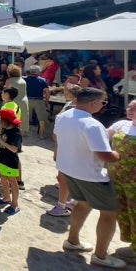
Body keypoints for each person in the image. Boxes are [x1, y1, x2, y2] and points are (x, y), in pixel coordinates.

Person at [54, 88, 125, 269]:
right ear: (93, 102)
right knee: (109, 213)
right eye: (103, 102)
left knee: (82, 204)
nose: (103, 106)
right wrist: (119, 154)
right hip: (90, 175)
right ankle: (101, 255)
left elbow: (57, 137)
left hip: (69, 169)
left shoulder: (64, 115)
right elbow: (105, 156)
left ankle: (73, 240)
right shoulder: (92, 125)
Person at [106, 100, 136, 260]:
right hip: (116, 177)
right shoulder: (122, 124)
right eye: (129, 107)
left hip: (134, 181)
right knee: (122, 210)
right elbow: (102, 136)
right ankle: (131, 243)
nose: (130, 110)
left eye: (135, 108)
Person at [47, 83, 81, 217]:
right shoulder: (70, 105)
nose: (64, 93)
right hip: (65, 145)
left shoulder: (72, 108)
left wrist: (57, 148)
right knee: (64, 177)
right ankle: (72, 201)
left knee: (64, 177)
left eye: (67, 92)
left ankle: (63, 205)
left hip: (68, 146)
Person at [0, 108, 23, 215]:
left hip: (10, 161)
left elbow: (15, 149)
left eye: (1, 119)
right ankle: (6, 197)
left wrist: (1, 140)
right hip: (2, 159)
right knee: (3, 177)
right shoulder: (6, 129)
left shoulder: (16, 133)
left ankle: (15, 205)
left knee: (12, 182)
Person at [24, 65, 51, 139]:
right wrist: (46, 101)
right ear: (38, 72)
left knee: (26, 117)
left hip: (27, 99)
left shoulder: (24, 79)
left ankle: (25, 132)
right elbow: (47, 92)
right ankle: (41, 135)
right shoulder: (43, 80)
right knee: (42, 118)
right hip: (39, 100)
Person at [5, 64, 29, 136]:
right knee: (23, 117)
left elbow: (7, 92)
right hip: (24, 100)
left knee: (11, 117)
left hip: (14, 101)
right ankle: (23, 132)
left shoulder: (9, 80)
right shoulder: (23, 80)